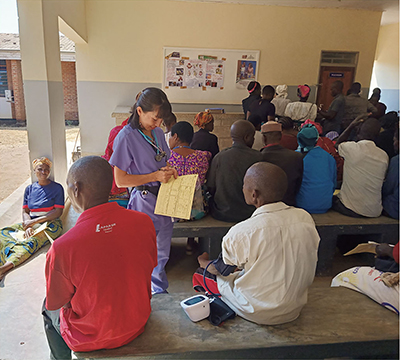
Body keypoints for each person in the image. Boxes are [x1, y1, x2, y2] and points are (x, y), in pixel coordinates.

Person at [42, 156, 157, 359]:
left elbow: (57, 302)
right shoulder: (144, 222)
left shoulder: (62, 248)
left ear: (76, 189)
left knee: (46, 308)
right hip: (136, 322)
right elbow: (148, 267)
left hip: (90, 337)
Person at [193, 162, 320, 325]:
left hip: (257, 312)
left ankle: (219, 308)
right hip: (294, 308)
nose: (242, 188)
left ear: (254, 194)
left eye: (244, 185)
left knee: (201, 274)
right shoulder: (305, 218)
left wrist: (202, 260)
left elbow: (219, 270)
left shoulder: (243, 231)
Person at [110, 87, 178, 294]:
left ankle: (159, 292)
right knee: (143, 253)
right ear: (139, 111)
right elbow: (120, 180)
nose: (158, 124)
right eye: (155, 118)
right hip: (144, 200)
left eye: (161, 120)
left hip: (164, 198)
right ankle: (141, 294)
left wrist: (168, 171)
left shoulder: (157, 133)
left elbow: (162, 159)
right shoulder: (126, 137)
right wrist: (154, 176)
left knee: (162, 252)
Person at [0, 157, 64, 281]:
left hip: (50, 224)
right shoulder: (29, 189)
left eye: (46, 169)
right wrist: (28, 225)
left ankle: (4, 268)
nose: (43, 172)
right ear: (34, 171)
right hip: (31, 222)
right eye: (40, 169)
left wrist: (33, 223)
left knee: (30, 242)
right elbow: (25, 211)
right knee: (3, 233)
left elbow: (57, 212)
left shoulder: (57, 188)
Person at [333, 114, 388, 218]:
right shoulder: (384, 156)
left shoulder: (352, 148)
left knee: (330, 198)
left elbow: (336, 144)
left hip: (350, 208)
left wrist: (351, 126)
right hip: (374, 211)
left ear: (358, 132)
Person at [207, 120, 263, 222]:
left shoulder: (219, 157)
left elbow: (211, 186)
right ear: (246, 137)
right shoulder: (258, 157)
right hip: (250, 214)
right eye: (253, 136)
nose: (254, 139)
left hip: (222, 213)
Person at [168, 121, 211, 218]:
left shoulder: (167, 157)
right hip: (197, 210)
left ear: (175, 136)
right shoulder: (203, 156)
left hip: (172, 211)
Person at [296, 124, 337, 214]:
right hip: (325, 205)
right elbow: (333, 183)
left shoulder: (295, 157)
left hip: (302, 205)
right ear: (316, 139)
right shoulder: (328, 157)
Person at [260, 121, 303, 206]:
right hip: (289, 203)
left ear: (264, 138)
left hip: (265, 207)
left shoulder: (258, 157)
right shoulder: (296, 156)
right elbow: (298, 186)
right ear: (281, 136)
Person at [382, 127, 399, 219]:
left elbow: (388, 188)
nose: (394, 144)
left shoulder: (397, 161)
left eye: (394, 140)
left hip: (395, 209)